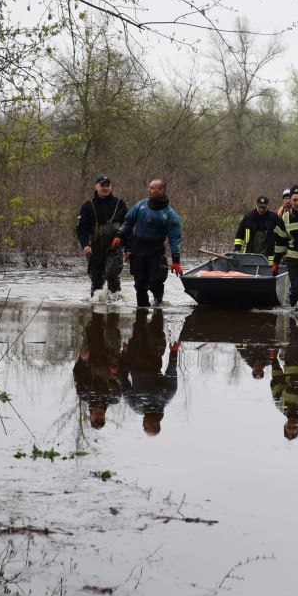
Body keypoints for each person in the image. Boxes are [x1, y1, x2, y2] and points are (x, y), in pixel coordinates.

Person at [118, 178, 182, 308]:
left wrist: (176, 261)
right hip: (138, 250)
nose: (148, 190)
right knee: (139, 284)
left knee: (155, 282)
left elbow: (174, 238)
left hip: (155, 251)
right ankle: (142, 311)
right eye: (149, 187)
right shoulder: (141, 205)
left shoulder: (170, 214)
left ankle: (158, 301)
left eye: (152, 188)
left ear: (161, 191)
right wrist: (119, 236)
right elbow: (128, 222)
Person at [121, 308, 179, 436]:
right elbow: (171, 373)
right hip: (153, 357)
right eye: (146, 427)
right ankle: (158, 303)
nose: (143, 424)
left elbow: (123, 383)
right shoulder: (165, 396)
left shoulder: (136, 407)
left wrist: (125, 356)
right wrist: (174, 353)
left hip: (135, 356)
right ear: (155, 424)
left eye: (144, 426)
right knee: (155, 327)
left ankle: (142, 302)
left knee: (140, 323)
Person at [75, 175, 128, 300]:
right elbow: (81, 228)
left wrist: (128, 248)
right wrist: (85, 245)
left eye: (107, 185)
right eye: (102, 185)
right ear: (96, 187)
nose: (105, 188)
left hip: (115, 246)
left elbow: (127, 226)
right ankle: (95, 306)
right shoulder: (87, 206)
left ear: (111, 187)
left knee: (111, 274)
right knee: (96, 279)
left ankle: (115, 304)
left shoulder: (119, 204)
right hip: (95, 247)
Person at [73, 311, 125, 429]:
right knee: (112, 325)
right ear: (104, 418)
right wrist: (116, 371)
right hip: (112, 355)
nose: (99, 417)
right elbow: (124, 378)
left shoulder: (83, 394)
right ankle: (114, 302)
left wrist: (82, 359)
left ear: (90, 416)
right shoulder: (115, 397)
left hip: (93, 353)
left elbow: (77, 372)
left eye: (96, 419)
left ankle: (98, 296)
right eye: (101, 420)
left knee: (96, 319)